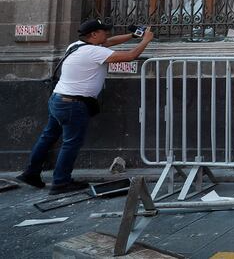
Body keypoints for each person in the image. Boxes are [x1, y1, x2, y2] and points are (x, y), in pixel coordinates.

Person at [16, 19, 155, 194]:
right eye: (104, 31)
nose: (107, 34)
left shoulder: (76, 45)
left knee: (48, 137)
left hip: (58, 99)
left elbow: (109, 42)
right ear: (94, 34)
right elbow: (130, 56)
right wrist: (145, 41)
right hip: (73, 105)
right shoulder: (92, 52)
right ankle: (60, 182)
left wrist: (132, 35)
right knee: (70, 143)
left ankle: (31, 173)